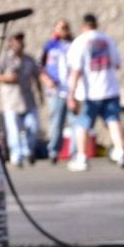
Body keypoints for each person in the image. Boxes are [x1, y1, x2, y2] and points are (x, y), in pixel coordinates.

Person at [65, 13, 124, 171]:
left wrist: (71, 94)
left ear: (83, 26)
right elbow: (117, 64)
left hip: (89, 93)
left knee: (83, 125)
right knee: (113, 120)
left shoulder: (80, 42)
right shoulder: (108, 40)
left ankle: (82, 157)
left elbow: (76, 70)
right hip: (110, 89)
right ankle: (120, 151)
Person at [0, 33, 42, 167]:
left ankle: (28, 151)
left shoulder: (29, 59)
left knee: (33, 126)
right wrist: (7, 78)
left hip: (28, 100)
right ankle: (17, 156)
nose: (19, 44)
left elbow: (36, 77)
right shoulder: (5, 59)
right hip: (11, 101)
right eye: (16, 41)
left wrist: (41, 95)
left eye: (20, 41)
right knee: (14, 130)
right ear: (11, 43)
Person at [39, 19, 74, 165]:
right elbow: (40, 66)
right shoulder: (50, 46)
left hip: (72, 90)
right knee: (56, 121)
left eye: (66, 27)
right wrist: (47, 80)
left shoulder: (74, 44)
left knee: (75, 122)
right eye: (61, 28)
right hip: (56, 90)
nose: (63, 30)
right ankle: (54, 151)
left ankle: (75, 152)